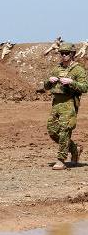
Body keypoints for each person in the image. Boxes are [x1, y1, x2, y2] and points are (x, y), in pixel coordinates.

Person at [43, 41, 87, 170]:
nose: (64, 55)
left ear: (72, 54)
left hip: (69, 103)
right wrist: (49, 81)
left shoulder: (78, 69)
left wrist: (71, 82)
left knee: (64, 132)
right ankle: (74, 149)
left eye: (66, 53)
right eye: (62, 53)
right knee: (52, 131)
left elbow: (85, 87)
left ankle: (61, 160)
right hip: (56, 103)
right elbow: (46, 86)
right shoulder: (57, 68)